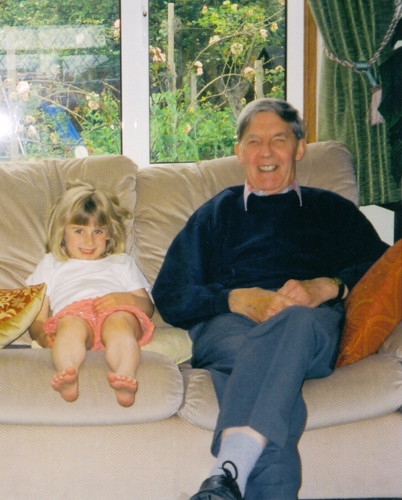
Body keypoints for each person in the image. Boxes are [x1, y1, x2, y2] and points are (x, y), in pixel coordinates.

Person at [152, 98, 389, 500]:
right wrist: (234, 299)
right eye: (253, 141)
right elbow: (171, 294)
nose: (265, 153)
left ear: (299, 147)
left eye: (278, 140)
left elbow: (385, 268)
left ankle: (229, 469)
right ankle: (231, 472)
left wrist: (328, 286)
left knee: (295, 322)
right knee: (265, 369)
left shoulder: (331, 209)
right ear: (239, 151)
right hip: (231, 328)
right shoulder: (216, 213)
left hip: (307, 328)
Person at [26, 182, 155, 407]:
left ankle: (125, 375)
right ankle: (68, 374)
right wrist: (41, 336)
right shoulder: (51, 263)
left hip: (117, 312)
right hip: (74, 315)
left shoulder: (121, 262)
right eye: (79, 231)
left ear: (109, 234)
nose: (89, 241)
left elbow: (148, 308)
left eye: (98, 231)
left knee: (118, 323)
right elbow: (37, 318)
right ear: (62, 233)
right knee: (69, 326)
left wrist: (126, 299)